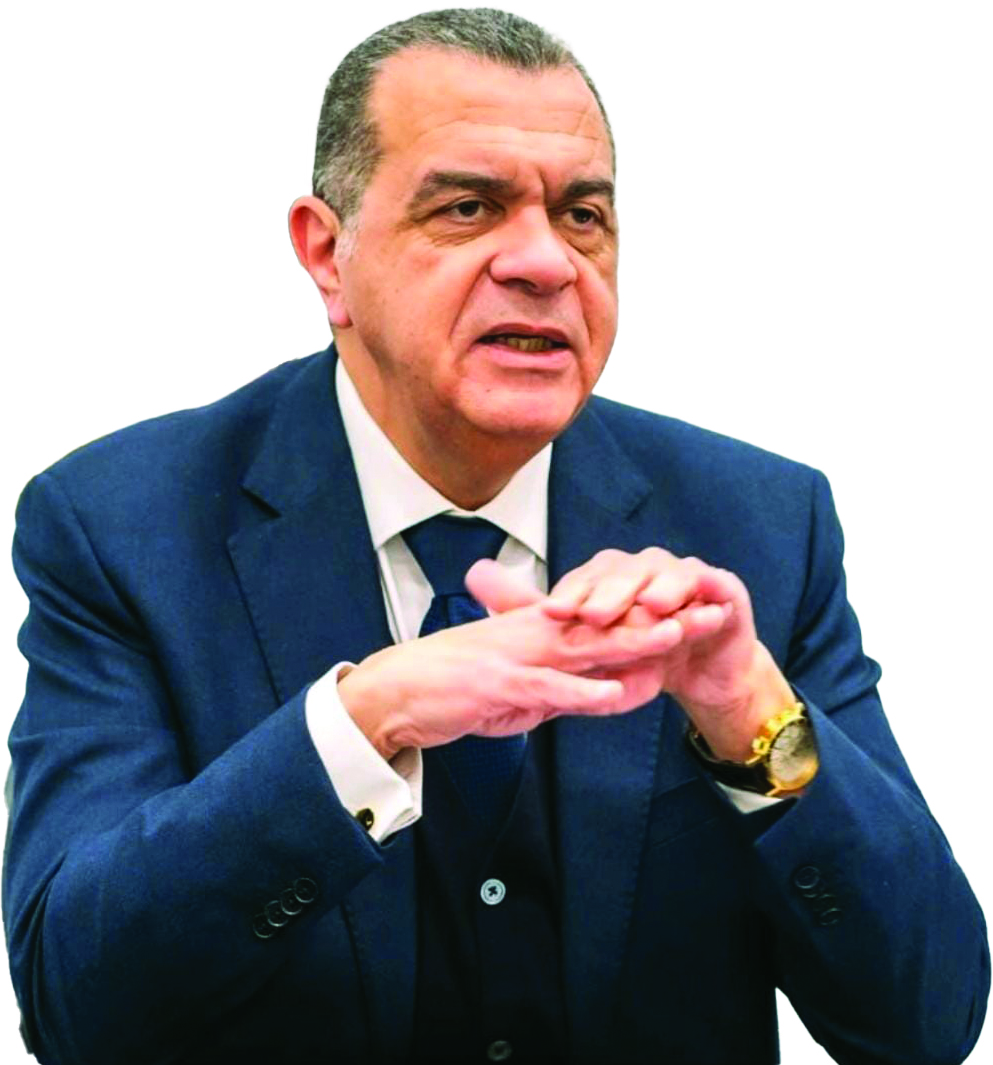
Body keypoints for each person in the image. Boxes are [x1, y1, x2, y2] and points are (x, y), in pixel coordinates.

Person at [2, 7, 988, 1064]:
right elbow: (78, 1007)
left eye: (582, 215)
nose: (545, 262)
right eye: (469, 208)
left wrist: (749, 715)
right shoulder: (124, 526)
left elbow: (924, 1018)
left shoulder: (759, 526)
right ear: (327, 253)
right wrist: (362, 723)